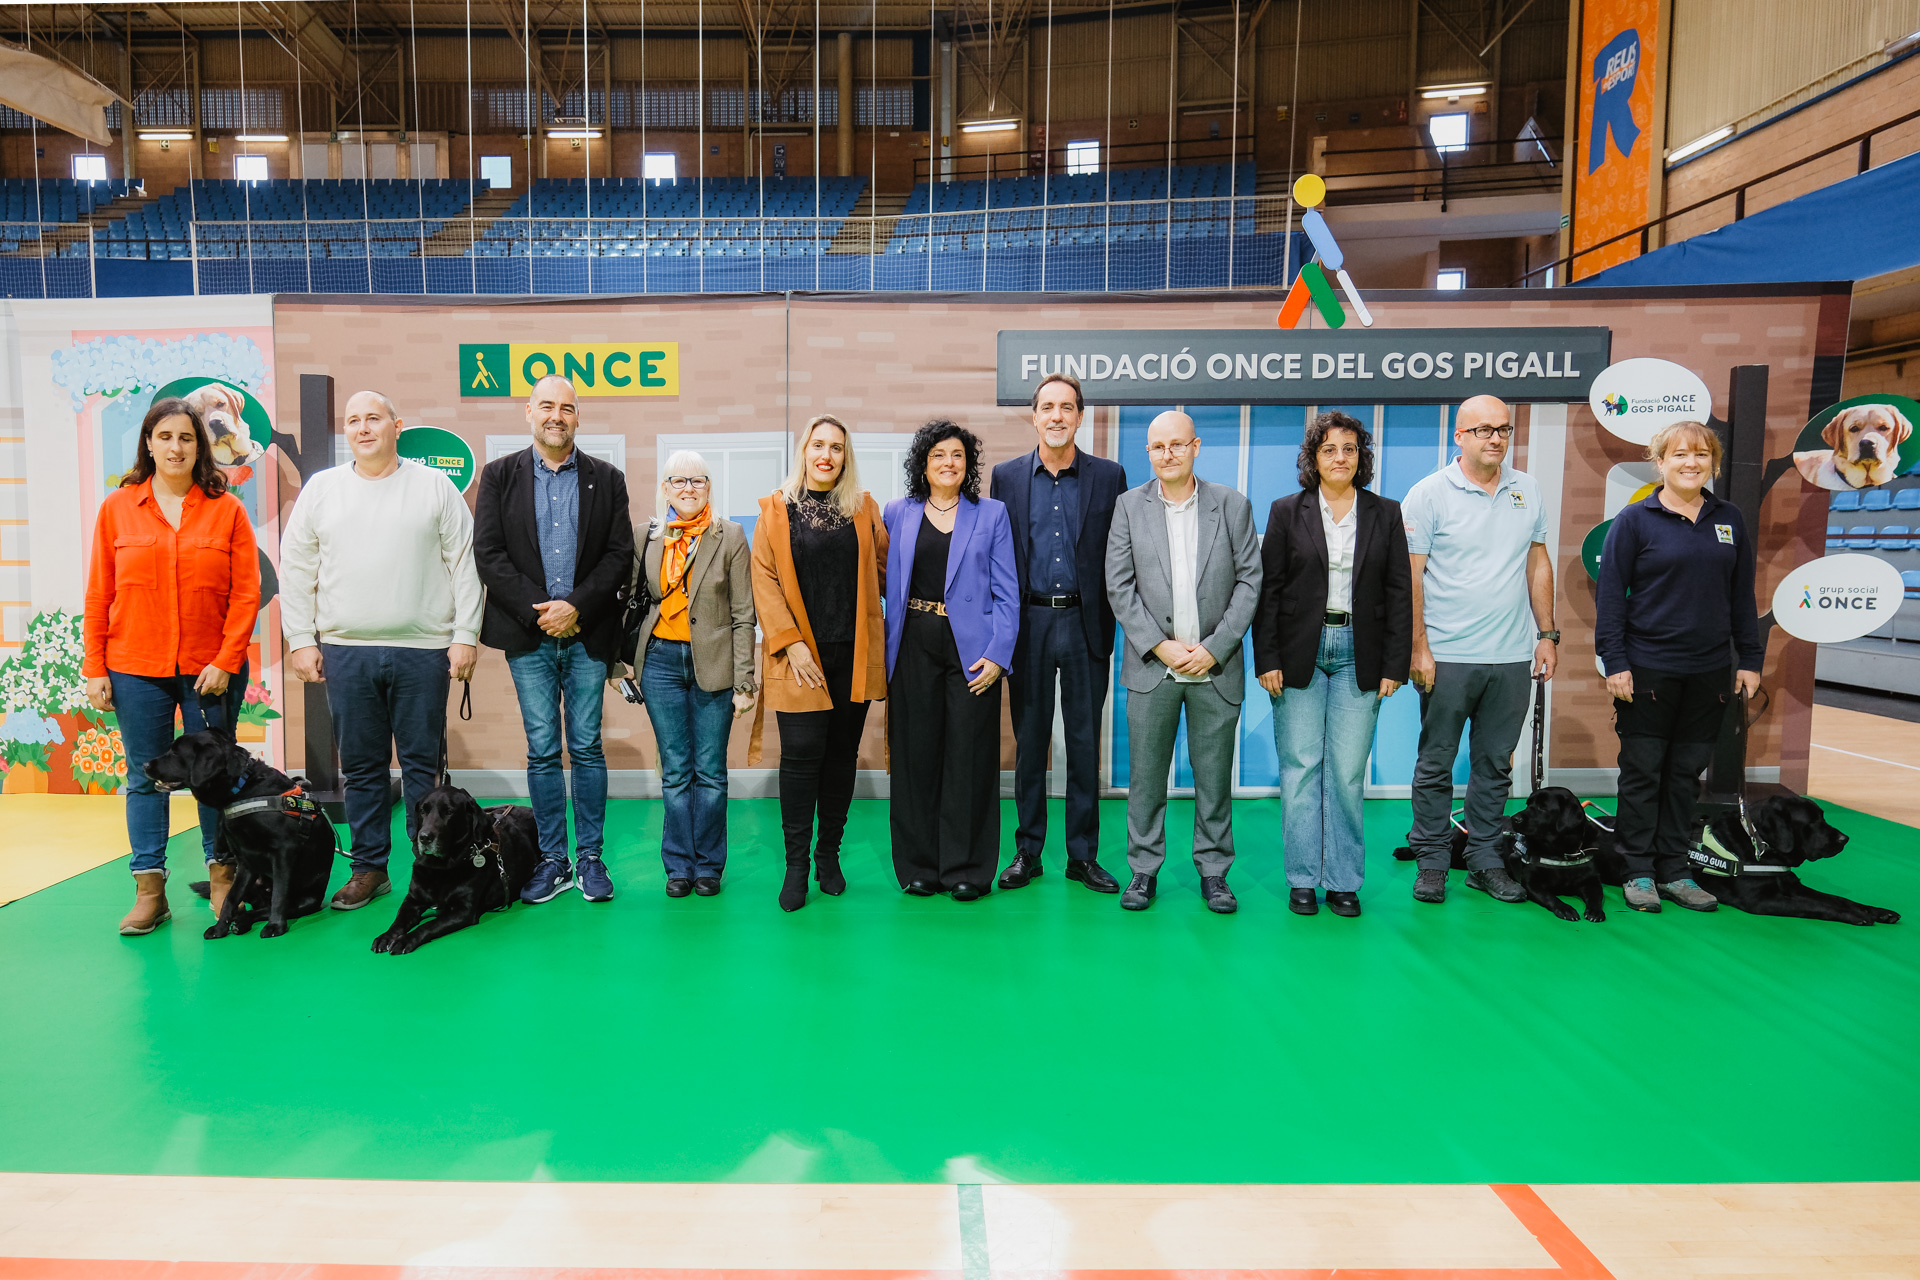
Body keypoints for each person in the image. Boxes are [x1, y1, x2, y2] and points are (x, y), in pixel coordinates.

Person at [280, 390, 484, 911]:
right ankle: (370, 868)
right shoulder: (322, 490)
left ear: (397, 426)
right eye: (353, 421)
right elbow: (297, 568)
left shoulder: (434, 486)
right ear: (346, 431)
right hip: (348, 649)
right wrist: (301, 639)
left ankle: (430, 867)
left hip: (423, 649)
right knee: (363, 768)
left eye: (374, 418)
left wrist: (465, 635)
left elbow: (465, 563)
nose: (363, 427)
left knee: (421, 768)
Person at [83, 397, 260, 936]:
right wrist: (95, 666)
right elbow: (98, 594)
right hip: (135, 668)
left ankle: (224, 875)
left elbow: (246, 592)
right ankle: (150, 890)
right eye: (164, 437)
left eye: (185, 438)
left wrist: (227, 660)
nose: (175, 447)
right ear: (148, 444)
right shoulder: (119, 507)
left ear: (199, 446)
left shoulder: (225, 508)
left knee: (216, 777)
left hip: (211, 671)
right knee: (145, 778)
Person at [473, 375, 635, 905]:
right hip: (528, 634)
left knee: (586, 748)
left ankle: (590, 858)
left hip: (588, 635)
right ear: (529, 412)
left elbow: (618, 555)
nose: (557, 416)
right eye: (547, 406)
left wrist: (576, 607)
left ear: (578, 417)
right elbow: (489, 553)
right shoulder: (499, 477)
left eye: (567, 408)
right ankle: (552, 860)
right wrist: (540, 611)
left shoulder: (607, 479)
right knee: (543, 751)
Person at [1596, 422, 1763, 913]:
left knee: (1686, 775)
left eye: (1701, 455)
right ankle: (1637, 870)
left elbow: (1741, 595)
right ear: (1660, 462)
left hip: (1709, 673)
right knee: (1644, 772)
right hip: (1646, 671)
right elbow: (1611, 600)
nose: (1691, 463)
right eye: (1680, 454)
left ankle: (1674, 869)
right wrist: (1616, 662)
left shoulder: (1728, 518)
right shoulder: (1634, 520)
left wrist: (1750, 658)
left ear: (1714, 462)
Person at [1252, 411, 1411, 918]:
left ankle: (1343, 880)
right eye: (1328, 449)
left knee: (1344, 774)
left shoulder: (1385, 512)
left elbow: (1398, 593)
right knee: (1300, 770)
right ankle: (1302, 878)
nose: (1339, 458)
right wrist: (1267, 658)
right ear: (1313, 459)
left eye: (1349, 449)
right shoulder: (1285, 511)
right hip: (1299, 651)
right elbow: (1268, 590)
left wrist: (1395, 663)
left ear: (1361, 456)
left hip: (1359, 656)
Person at [1401, 395, 1558, 905]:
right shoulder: (1428, 495)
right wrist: (1418, 647)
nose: (1496, 438)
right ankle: (1431, 859)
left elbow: (1538, 563)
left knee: (1494, 764)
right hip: (1446, 655)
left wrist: (1546, 634)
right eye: (1484, 429)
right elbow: (1411, 576)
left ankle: (1485, 860)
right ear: (1459, 436)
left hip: (1512, 656)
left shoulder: (1527, 490)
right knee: (1436, 763)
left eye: (1504, 430)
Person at [1106, 410, 1261, 913]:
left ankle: (1214, 872)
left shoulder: (1232, 505)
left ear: (1196, 446)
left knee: (1213, 779)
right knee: (1146, 778)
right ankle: (1143, 871)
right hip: (1154, 668)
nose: (1167, 454)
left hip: (1215, 667)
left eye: (1177, 444)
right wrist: (1160, 645)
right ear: (1147, 452)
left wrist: (1215, 647)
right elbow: (1120, 585)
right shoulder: (1128, 507)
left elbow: (1250, 582)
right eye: (1157, 447)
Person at [989, 372, 1125, 894]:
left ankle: (1082, 856)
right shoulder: (1005, 477)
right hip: (1029, 624)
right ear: (1034, 414)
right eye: (1047, 407)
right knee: (1029, 742)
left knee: (1085, 742)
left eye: (1067, 407)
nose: (1056, 416)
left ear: (1080, 416)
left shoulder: (1109, 476)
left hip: (1086, 622)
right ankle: (1028, 851)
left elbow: (1118, 554)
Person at [749, 414, 889, 912]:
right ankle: (795, 866)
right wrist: (790, 643)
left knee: (840, 758)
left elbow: (883, 570)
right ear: (803, 450)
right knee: (801, 758)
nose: (826, 455)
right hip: (799, 658)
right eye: (818, 445)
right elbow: (763, 580)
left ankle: (827, 855)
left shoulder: (864, 509)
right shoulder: (775, 510)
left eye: (836, 447)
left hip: (852, 656)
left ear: (845, 456)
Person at [884, 421, 1020, 899]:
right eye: (938, 454)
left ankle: (967, 868)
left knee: (969, 757)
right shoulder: (897, 512)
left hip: (973, 652)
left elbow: (1008, 593)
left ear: (969, 465)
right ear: (923, 463)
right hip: (911, 645)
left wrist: (999, 656)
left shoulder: (992, 514)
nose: (949, 462)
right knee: (915, 755)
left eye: (958, 455)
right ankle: (920, 865)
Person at [623, 450, 757, 897]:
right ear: (664, 489)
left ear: (708, 487)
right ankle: (679, 866)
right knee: (677, 771)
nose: (687, 489)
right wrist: (616, 662)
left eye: (697, 481)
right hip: (659, 662)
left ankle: (709, 867)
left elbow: (743, 614)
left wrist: (744, 682)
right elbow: (629, 602)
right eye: (677, 482)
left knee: (712, 773)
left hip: (713, 665)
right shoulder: (646, 536)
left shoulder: (730, 535)